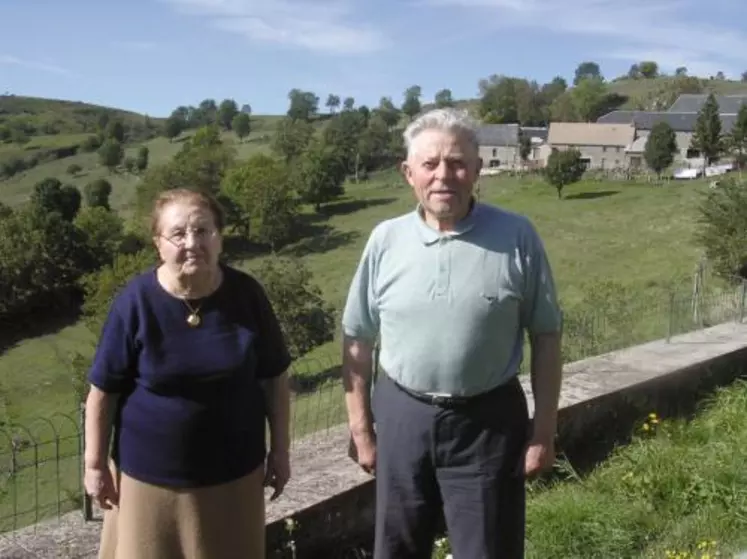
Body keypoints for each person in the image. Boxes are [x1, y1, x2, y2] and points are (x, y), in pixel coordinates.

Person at [341, 108, 563, 559]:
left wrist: (543, 430)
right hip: (402, 417)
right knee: (398, 545)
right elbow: (357, 339)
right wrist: (362, 429)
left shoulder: (518, 236)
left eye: (458, 162)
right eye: (430, 164)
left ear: (478, 169)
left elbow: (546, 337)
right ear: (409, 173)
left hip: (488, 422)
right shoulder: (385, 240)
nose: (444, 176)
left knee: (488, 549)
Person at [83, 188, 292, 559]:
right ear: (158, 244)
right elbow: (103, 392)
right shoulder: (135, 303)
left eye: (203, 231)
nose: (192, 243)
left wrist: (281, 450)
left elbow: (275, 379)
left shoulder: (247, 295)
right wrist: (96, 466)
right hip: (149, 484)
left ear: (220, 238)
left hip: (234, 478)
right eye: (178, 234)